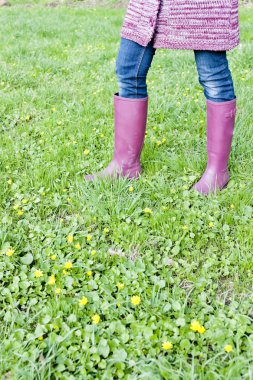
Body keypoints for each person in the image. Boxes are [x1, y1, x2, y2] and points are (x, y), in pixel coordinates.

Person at [85, 0, 240, 195]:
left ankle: (217, 172)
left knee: (212, 76)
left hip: (204, 7)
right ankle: (125, 165)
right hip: (149, 5)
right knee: (128, 68)